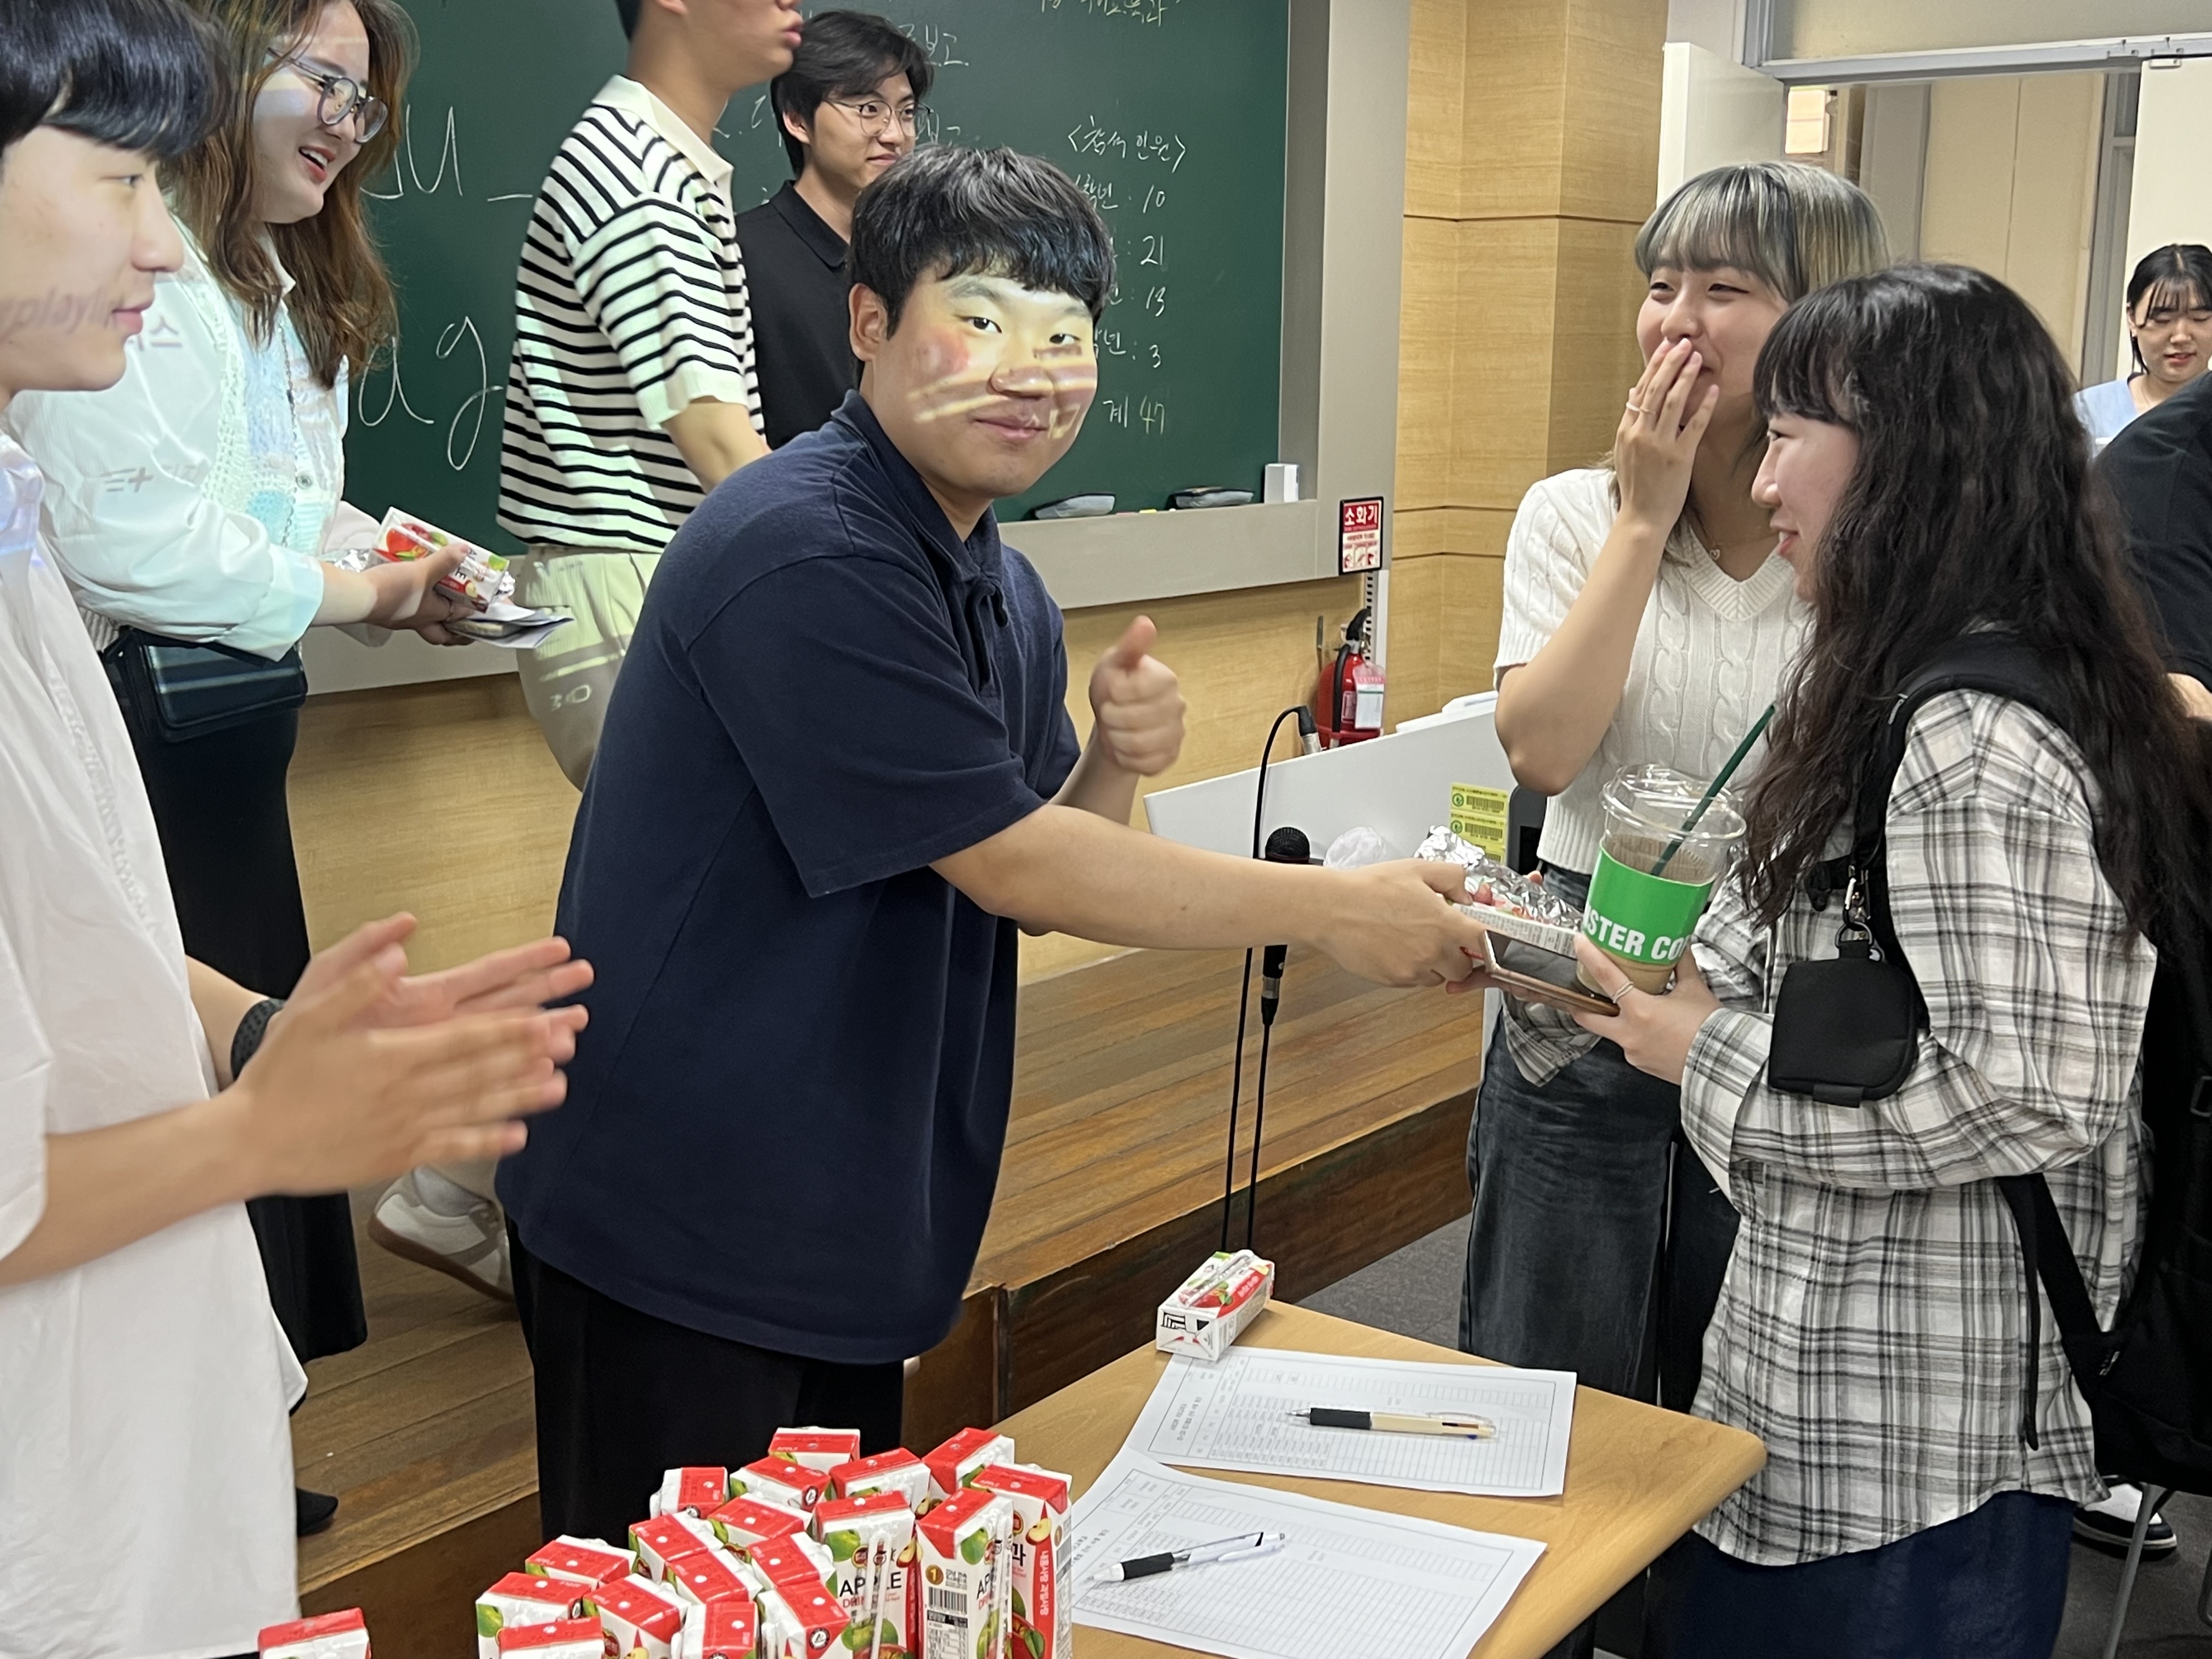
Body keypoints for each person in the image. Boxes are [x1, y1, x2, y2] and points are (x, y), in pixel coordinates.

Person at [498, 145, 1492, 1542]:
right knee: (678, 1614)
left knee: (830, 1600)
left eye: (1064, 335)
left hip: (845, 1208)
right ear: (867, 323)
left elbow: (1029, 870)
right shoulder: (800, 542)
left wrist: (1112, 761)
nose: (1029, 371)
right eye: (978, 321)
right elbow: (1013, 862)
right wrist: (1330, 908)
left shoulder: (999, 582)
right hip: (684, 1215)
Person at [0, 2, 588, 1650]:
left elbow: (87, 943)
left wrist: (256, 1033)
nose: (159, 239)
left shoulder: (21, 510)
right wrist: (264, 1129)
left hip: (116, 1449)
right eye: (119, 178)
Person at [1566, 262, 2212, 1656]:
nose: (1762, 478)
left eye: (1789, 435)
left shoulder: (1975, 737)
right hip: (1836, 1385)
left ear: (1909, 458)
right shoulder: (1898, 673)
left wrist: (1704, 1055)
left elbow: (2032, 1091)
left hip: (1917, 1442)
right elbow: (1844, 949)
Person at [1463, 164, 1887, 1455]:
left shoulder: (1873, 540)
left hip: (1783, 974)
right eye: (1661, 286)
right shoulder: (1570, 515)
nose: (1677, 321)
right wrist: (1643, 519)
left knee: (1735, 1385)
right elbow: (1543, 756)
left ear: (1825, 318)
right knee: (1545, 1378)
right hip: (1585, 954)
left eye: (1725, 288)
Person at [496, 0, 798, 788]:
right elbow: (716, 437)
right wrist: (845, 574)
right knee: (697, 856)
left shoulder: (663, 158)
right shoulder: (634, 169)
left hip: (649, 570)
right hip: (628, 575)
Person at [736, 11, 929, 449]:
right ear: (797, 120)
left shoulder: (919, 262)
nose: (895, 135)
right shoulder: (739, 255)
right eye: (869, 109)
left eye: (906, 113)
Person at [2074, 243, 2212, 450]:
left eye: (2200, 318)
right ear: (2132, 318)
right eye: (2163, 319)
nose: (2181, 337)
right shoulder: (2088, 411)